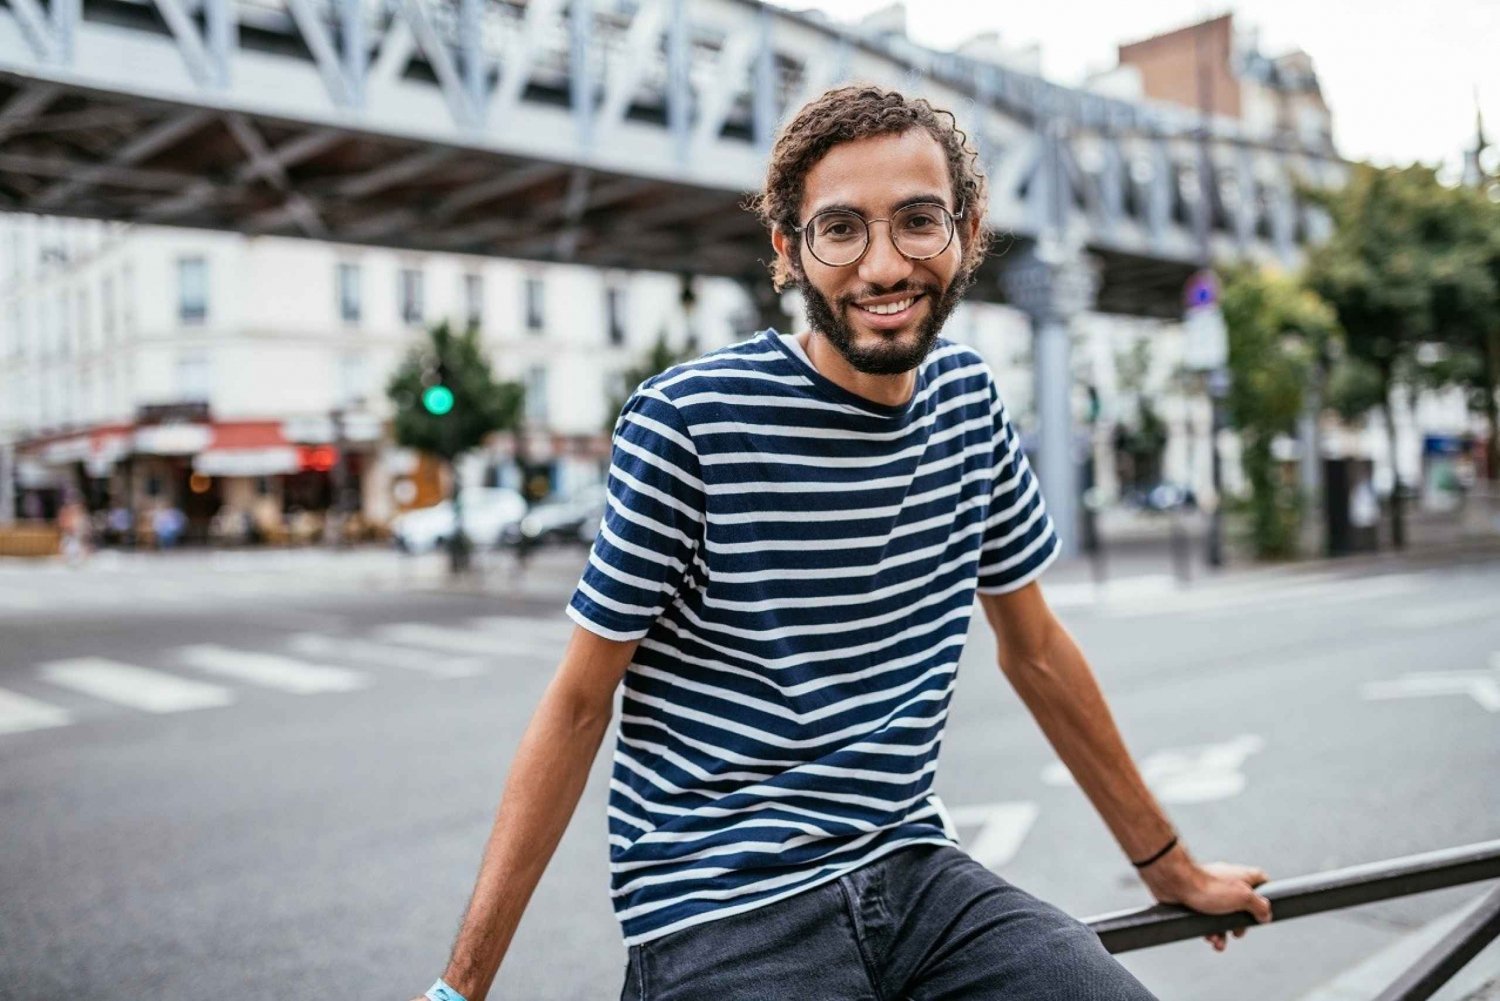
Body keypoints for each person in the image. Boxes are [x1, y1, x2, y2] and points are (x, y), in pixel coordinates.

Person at [414, 86, 1271, 1001]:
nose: (883, 266)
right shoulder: (690, 421)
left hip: (915, 875)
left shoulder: (971, 405)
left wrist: (1169, 868)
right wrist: (460, 990)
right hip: (719, 911)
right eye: (840, 230)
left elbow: (1040, 653)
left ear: (966, 233)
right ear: (789, 252)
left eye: (916, 221)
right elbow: (580, 704)